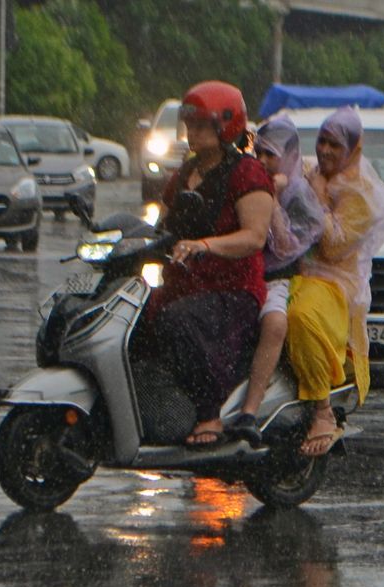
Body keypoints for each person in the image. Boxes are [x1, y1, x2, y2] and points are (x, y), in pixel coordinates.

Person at [151, 81, 272, 448]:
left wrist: (205, 245)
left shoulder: (247, 174)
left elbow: (254, 237)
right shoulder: (184, 173)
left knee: (178, 320)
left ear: (226, 128)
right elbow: (162, 226)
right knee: (139, 320)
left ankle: (209, 413)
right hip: (185, 284)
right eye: (190, 124)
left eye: (202, 125)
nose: (193, 132)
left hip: (232, 290)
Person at [287, 107, 384, 456]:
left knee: (300, 316)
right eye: (321, 141)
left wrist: (317, 195)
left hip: (334, 281)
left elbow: (333, 247)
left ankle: (322, 411)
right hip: (293, 270)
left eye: (335, 145)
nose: (325, 151)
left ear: (352, 149)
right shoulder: (307, 170)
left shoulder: (362, 196)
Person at [227, 115, 325, 445]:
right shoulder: (244, 179)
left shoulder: (299, 195)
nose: (265, 162)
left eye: (273, 155)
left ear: (290, 156)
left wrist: (270, 198)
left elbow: (285, 246)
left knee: (274, 325)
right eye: (261, 154)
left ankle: (249, 412)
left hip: (275, 279)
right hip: (238, 271)